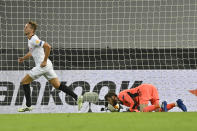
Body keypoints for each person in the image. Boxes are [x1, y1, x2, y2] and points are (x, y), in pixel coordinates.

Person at [18, 21, 83, 112]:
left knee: (24, 82)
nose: (24, 28)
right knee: (57, 85)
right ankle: (77, 97)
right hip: (46, 65)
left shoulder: (34, 39)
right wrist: (23, 58)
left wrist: (44, 61)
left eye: (26, 27)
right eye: (25, 27)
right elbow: (31, 52)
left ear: (32, 29)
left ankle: (28, 106)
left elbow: (48, 46)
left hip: (43, 65)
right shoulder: (30, 40)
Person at [104, 83, 187, 112]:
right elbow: (135, 107)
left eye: (109, 100)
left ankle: (161, 104)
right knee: (159, 111)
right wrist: (133, 110)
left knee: (143, 110)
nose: (109, 102)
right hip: (152, 89)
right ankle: (176, 103)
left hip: (144, 89)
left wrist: (130, 110)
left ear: (113, 97)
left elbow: (133, 103)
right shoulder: (123, 102)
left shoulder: (121, 95)